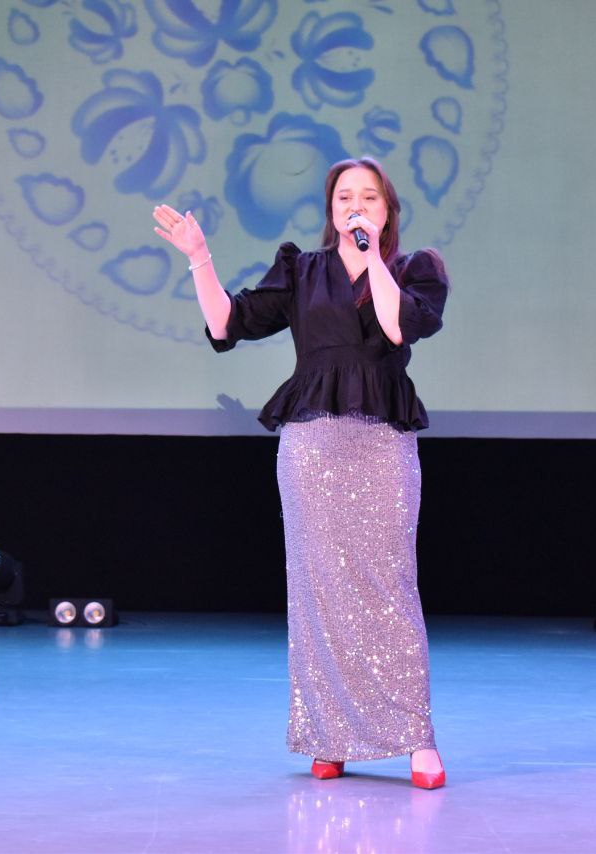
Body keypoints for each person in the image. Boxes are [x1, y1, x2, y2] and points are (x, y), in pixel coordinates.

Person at [152, 157, 449, 789]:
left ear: (388, 209)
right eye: (344, 197)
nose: (356, 206)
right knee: (318, 587)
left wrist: (371, 256)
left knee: (389, 584)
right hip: (312, 446)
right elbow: (226, 323)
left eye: (369, 197)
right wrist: (199, 257)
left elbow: (397, 327)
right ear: (329, 209)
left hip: (381, 443)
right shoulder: (301, 270)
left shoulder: (414, 269)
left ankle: (415, 740)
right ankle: (329, 735)